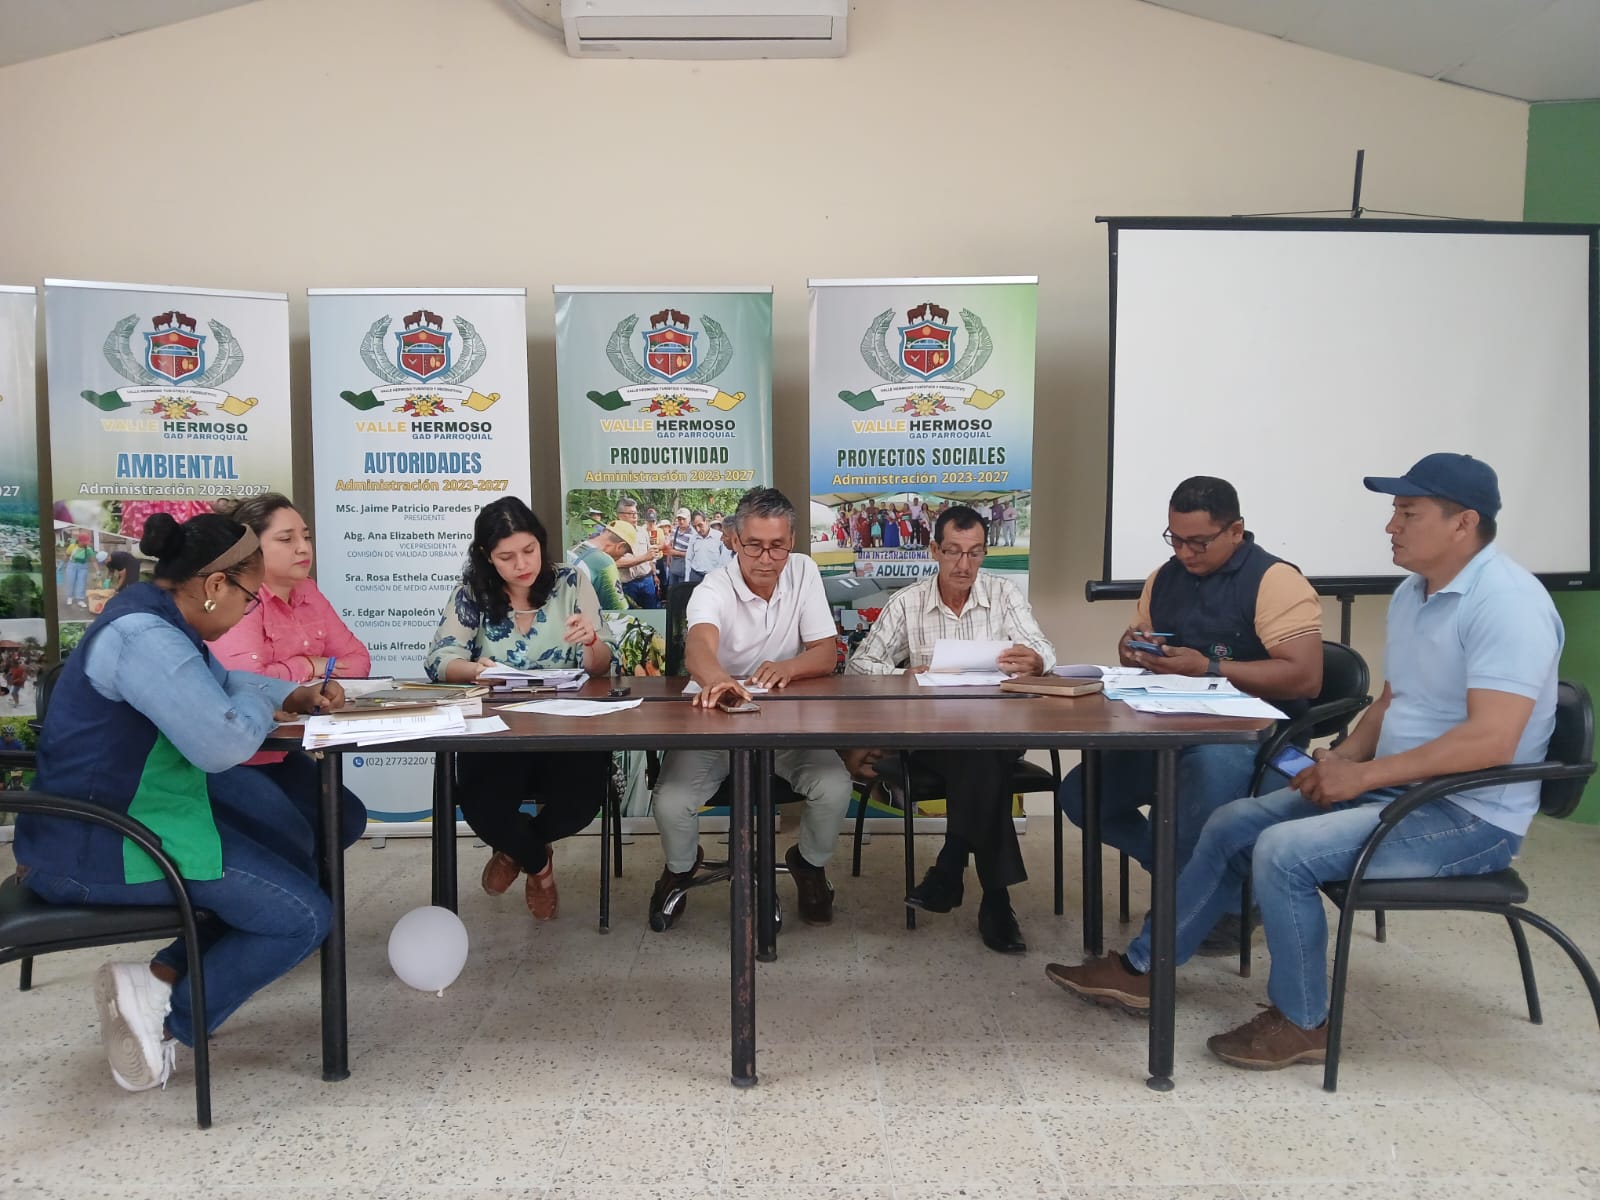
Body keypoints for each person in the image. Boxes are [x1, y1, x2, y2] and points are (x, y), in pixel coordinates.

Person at [1046, 453, 1560, 1069]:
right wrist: (1342, 757)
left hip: (1466, 814)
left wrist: (1362, 775)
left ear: (1463, 522)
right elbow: (1394, 702)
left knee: (1282, 851)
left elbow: (1492, 742)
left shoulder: (1508, 604)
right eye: (1394, 512)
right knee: (1231, 824)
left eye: (1408, 513)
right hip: (1395, 789)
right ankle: (1144, 969)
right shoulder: (1414, 594)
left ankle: (1303, 1020)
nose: (1391, 526)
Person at [15, 511, 343, 1093]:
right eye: (249, 596)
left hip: (130, 820)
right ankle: (171, 1020)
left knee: (291, 852)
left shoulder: (155, 616)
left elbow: (224, 683)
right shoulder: (146, 641)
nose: (249, 610)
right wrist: (260, 702)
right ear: (215, 585)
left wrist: (289, 691)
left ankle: (158, 980)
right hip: (97, 845)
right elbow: (224, 742)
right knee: (302, 917)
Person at [1056, 476, 1322, 951]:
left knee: (1197, 791)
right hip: (1170, 724)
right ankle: (1211, 890)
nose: (1184, 553)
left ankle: (1193, 908)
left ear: (1235, 531)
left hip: (1249, 736)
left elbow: (1305, 677)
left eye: (1198, 542)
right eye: (1175, 539)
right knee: (1081, 795)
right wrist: (1132, 650)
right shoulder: (1164, 577)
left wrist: (1210, 668)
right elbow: (1138, 642)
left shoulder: (1275, 581)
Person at [845, 504, 1056, 952]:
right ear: (934, 550)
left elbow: (1041, 646)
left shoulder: (1003, 594)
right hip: (932, 739)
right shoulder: (909, 602)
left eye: (975, 553)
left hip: (999, 735)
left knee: (982, 753)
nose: (964, 564)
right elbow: (859, 665)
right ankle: (994, 901)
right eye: (954, 552)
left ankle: (951, 864)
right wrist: (903, 675)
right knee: (979, 762)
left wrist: (1038, 660)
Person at [649, 487, 852, 928]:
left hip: (787, 723)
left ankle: (808, 865)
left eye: (777, 545)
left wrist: (788, 667)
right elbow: (698, 648)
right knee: (671, 801)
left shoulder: (803, 571)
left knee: (834, 786)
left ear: (792, 541)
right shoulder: (714, 586)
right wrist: (718, 680)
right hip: (717, 721)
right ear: (733, 541)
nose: (766, 558)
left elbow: (824, 653)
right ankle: (680, 869)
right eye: (754, 545)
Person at [426, 497, 615, 920]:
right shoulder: (472, 593)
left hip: (568, 728)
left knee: (580, 804)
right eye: (506, 557)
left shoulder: (570, 582)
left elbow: (604, 665)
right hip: (497, 730)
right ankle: (539, 865)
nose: (522, 564)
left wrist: (590, 641)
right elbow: (439, 660)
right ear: (486, 556)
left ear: (541, 543)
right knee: (483, 808)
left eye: (529, 550)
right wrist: (475, 670)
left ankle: (516, 851)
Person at [208, 493, 370, 853]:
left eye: (306, 536)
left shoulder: (307, 589)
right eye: (286, 539)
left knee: (346, 818)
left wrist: (298, 675)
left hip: (282, 748)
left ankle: (307, 885)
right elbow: (247, 680)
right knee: (295, 832)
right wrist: (308, 665)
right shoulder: (238, 596)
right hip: (234, 756)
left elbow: (358, 661)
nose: (303, 548)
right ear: (251, 549)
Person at [568, 520, 635, 612]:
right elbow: (619, 610)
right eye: (625, 553)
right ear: (620, 546)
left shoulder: (573, 548)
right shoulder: (605, 563)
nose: (622, 556)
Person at [614, 496, 660, 609]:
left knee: (652, 612)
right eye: (630, 513)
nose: (635, 516)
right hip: (627, 584)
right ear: (620, 515)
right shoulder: (613, 535)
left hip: (647, 580)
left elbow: (651, 555)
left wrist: (655, 575)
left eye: (635, 513)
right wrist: (644, 557)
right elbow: (616, 562)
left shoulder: (642, 531)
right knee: (630, 615)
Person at [684, 510, 723, 583]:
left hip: (713, 577)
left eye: (700, 525)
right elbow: (688, 559)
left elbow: (724, 560)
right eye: (694, 526)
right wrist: (687, 579)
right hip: (695, 576)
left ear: (706, 521)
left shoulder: (719, 537)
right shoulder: (693, 538)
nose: (698, 529)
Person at [664, 507, 694, 594]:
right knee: (672, 589)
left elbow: (693, 554)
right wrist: (668, 559)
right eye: (679, 519)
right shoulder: (675, 530)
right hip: (673, 565)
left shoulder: (693, 533)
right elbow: (671, 545)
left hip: (684, 566)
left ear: (689, 518)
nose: (681, 521)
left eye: (684, 519)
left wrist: (676, 553)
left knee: (682, 591)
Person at [63, 531, 93, 608]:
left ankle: (80, 599)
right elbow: (67, 555)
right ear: (79, 541)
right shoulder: (72, 546)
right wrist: (63, 565)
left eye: (87, 542)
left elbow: (94, 560)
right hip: (72, 565)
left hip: (83, 567)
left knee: (81, 583)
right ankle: (70, 597)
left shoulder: (88, 549)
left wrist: (98, 571)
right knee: (70, 581)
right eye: (84, 542)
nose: (86, 543)